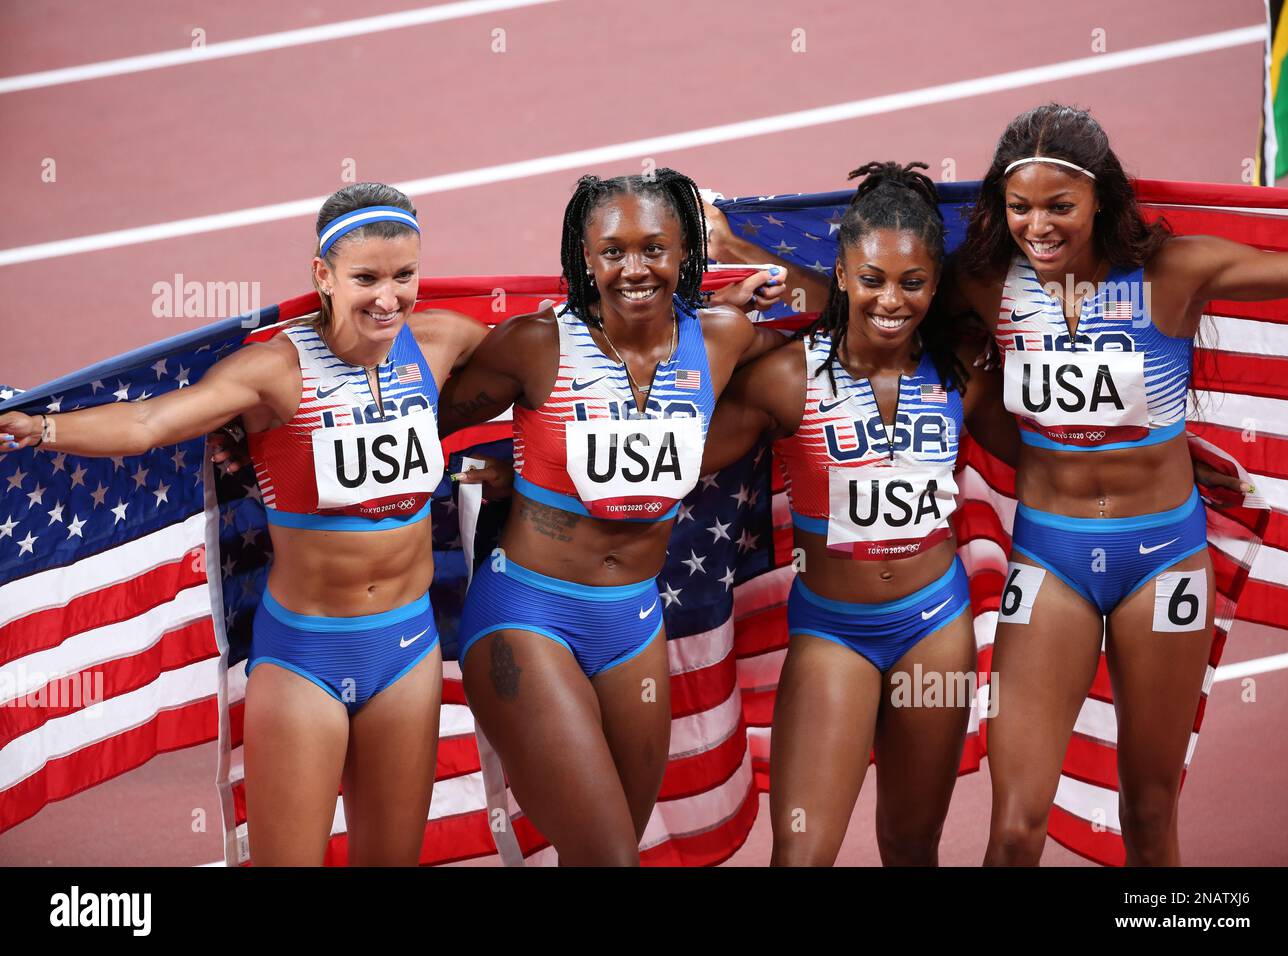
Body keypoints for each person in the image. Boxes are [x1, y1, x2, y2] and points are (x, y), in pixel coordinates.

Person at [0, 182, 498, 866]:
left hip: (408, 649)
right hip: (305, 660)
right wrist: (42, 427)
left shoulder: (440, 342)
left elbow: (549, 357)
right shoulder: (275, 373)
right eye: (366, 278)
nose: (389, 297)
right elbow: (150, 422)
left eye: (404, 275)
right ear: (322, 276)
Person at [954, 103, 1288, 866]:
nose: (1035, 225)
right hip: (1051, 559)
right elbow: (865, 287)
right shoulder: (986, 282)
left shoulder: (1175, 275)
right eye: (1019, 207)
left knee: (1147, 814)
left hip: (1163, 562)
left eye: (1057, 206)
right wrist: (744, 241)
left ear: (1102, 200)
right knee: (1014, 830)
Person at [435, 168, 787, 865]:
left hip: (632, 625)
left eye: (655, 248)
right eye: (613, 251)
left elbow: (843, 323)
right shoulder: (536, 344)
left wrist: (740, 251)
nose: (634, 269)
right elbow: (420, 419)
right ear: (584, 258)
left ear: (685, 253)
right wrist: (487, 472)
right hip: (528, 617)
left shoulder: (721, 338)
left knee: (608, 848)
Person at [700, 161, 1018, 865]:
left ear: (936, 284)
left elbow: (1045, 457)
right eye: (871, 280)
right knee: (803, 851)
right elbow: (676, 458)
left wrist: (1172, 459)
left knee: (910, 846)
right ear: (841, 274)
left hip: (934, 629)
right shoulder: (784, 379)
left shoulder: (962, 370)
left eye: (912, 283)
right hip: (834, 635)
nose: (891, 301)